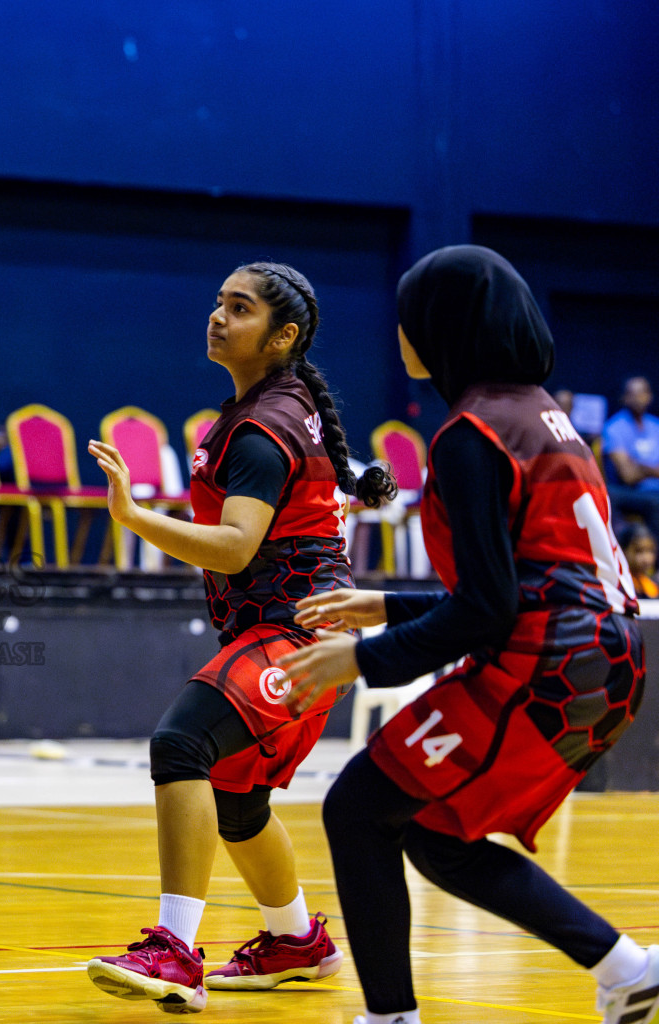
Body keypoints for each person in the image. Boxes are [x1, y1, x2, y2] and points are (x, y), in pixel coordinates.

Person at [280, 245, 655, 1024]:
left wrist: (362, 659)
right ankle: (627, 968)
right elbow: (517, 589)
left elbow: (488, 609)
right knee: (429, 826)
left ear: (444, 327)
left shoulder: (470, 432)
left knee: (357, 807)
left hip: (550, 661)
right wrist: (385, 605)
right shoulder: (543, 414)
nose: (400, 332)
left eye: (410, 318)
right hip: (611, 656)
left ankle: (390, 1016)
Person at [83, 262, 396, 1013]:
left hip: (300, 636)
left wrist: (132, 518)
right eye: (218, 301)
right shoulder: (274, 409)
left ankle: (173, 950)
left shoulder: (262, 426)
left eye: (240, 307)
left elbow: (233, 547)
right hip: (290, 632)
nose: (219, 316)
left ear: (282, 336)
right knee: (239, 799)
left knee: (181, 743)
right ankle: (295, 941)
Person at [602, 376, 659, 538]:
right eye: (632, 393)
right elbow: (628, 475)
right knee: (656, 503)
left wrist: (641, 467)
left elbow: (635, 470)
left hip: (654, 489)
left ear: (650, 396)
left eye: (642, 392)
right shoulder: (614, 427)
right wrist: (652, 470)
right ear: (624, 398)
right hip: (631, 492)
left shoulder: (656, 426)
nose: (638, 398)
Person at [617, 521, 659, 598]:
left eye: (650, 551)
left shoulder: (653, 585)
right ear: (623, 551)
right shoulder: (619, 585)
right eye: (639, 551)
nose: (646, 558)